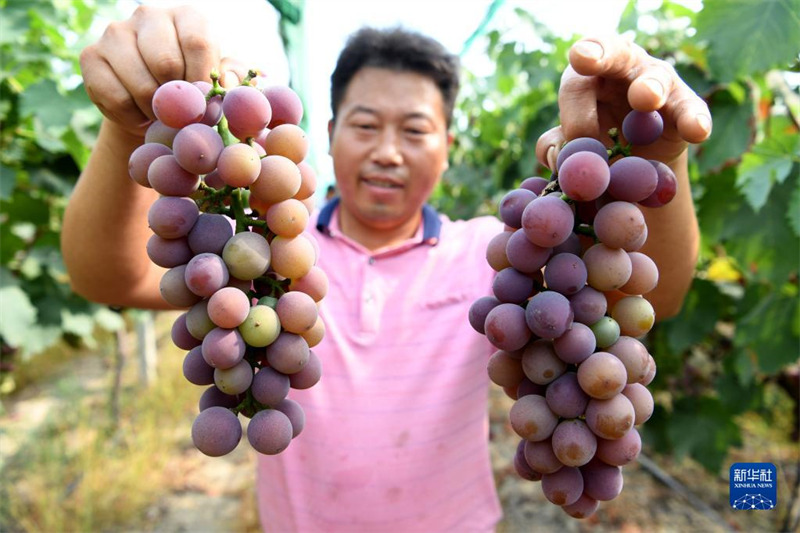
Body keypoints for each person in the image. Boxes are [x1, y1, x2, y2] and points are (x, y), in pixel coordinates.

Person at [61, 5, 711, 532]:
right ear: (331, 131)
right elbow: (108, 279)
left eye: (417, 130)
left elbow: (661, 289)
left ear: (450, 148)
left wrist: (660, 156)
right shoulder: (268, 254)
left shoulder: (496, 251)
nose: (389, 152)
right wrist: (131, 130)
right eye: (366, 124)